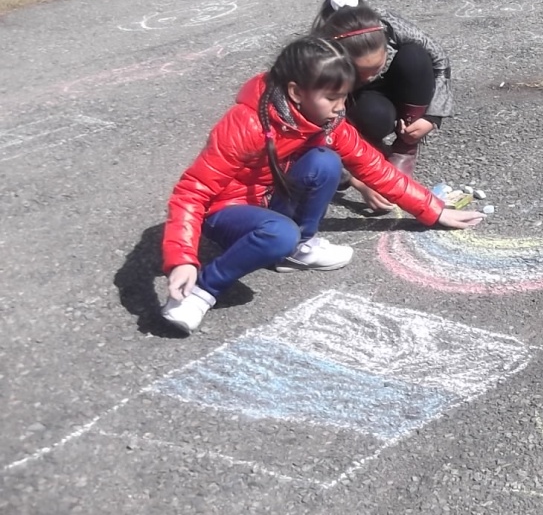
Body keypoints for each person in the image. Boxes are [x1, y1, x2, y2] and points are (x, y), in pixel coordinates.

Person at [160, 37, 482, 335]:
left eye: (344, 96)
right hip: (227, 210)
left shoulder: (326, 121)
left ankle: (300, 246)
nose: (341, 107)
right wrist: (182, 259)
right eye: (332, 97)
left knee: (325, 162)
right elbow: (192, 191)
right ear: (296, 93)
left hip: (272, 201)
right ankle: (201, 291)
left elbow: (372, 166)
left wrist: (433, 210)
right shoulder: (247, 123)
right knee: (279, 233)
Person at [310, 0, 453, 212]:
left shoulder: (389, 24)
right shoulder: (319, 57)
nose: (370, 76)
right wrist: (357, 180)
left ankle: (405, 146)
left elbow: (439, 59)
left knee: (415, 57)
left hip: (393, 87)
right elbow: (315, 135)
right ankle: (367, 147)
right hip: (359, 102)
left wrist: (432, 116)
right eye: (361, 72)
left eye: (376, 67)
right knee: (375, 116)